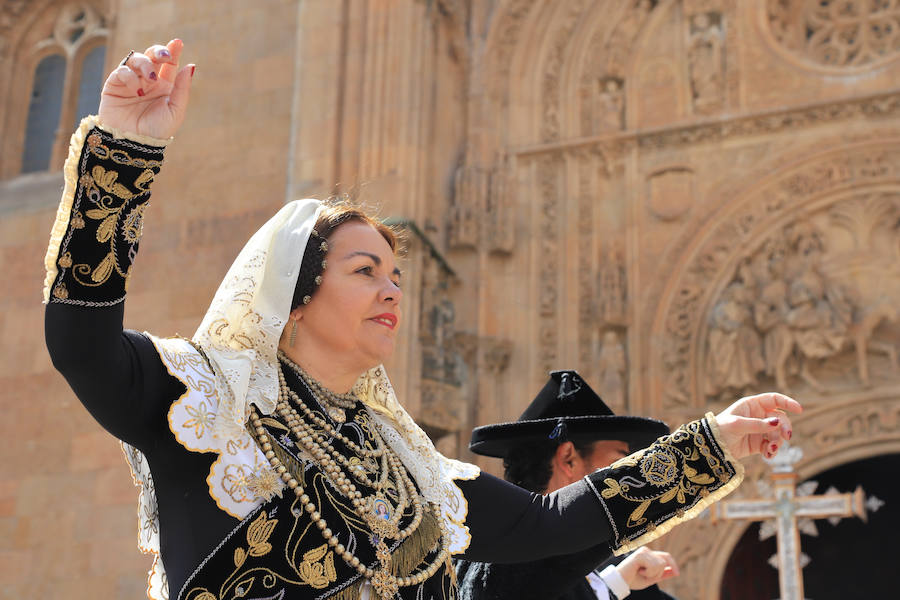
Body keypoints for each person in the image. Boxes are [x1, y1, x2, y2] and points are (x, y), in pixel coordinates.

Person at [43, 39, 799, 600]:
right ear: (295, 294)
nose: (392, 292)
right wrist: (125, 150)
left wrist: (714, 441)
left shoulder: (404, 465)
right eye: (364, 271)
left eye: (396, 275)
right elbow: (81, 342)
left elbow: (547, 525)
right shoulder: (209, 400)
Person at [456, 370, 679, 600]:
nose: (625, 476)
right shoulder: (501, 559)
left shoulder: (583, 563)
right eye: (618, 462)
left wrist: (617, 581)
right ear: (568, 459)